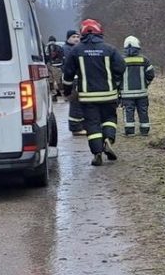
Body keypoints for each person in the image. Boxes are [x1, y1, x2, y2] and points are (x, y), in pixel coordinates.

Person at [62, 19, 126, 166]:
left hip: (87, 97)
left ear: (83, 33)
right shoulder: (109, 49)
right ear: (99, 32)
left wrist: (67, 90)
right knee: (109, 118)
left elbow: (68, 74)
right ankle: (108, 140)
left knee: (92, 124)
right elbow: (121, 67)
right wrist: (115, 81)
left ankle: (97, 153)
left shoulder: (76, 51)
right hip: (109, 95)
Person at [120, 35, 156, 136]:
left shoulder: (121, 60)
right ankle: (144, 131)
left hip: (126, 94)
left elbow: (116, 76)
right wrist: (146, 83)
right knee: (143, 111)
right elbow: (151, 74)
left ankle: (130, 132)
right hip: (142, 93)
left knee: (128, 112)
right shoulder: (144, 60)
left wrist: (119, 88)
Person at [61, 30, 86, 135]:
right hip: (72, 79)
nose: (76, 39)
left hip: (79, 79)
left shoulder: (77, 48)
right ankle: (76, 128)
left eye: (77, 36)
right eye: (73, 37)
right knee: (75, 103)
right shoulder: (66, 50)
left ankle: (81, 125)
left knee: (81, 102)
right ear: (67, 38)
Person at [44, 36, 65, 101]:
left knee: (51, 81)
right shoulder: (59, 47)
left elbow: (44, 57)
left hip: (48, 66)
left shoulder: (46, 47)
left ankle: (54, 96)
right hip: (57, 66)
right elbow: (62, 57)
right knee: (59, 81)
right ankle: (64, 95)